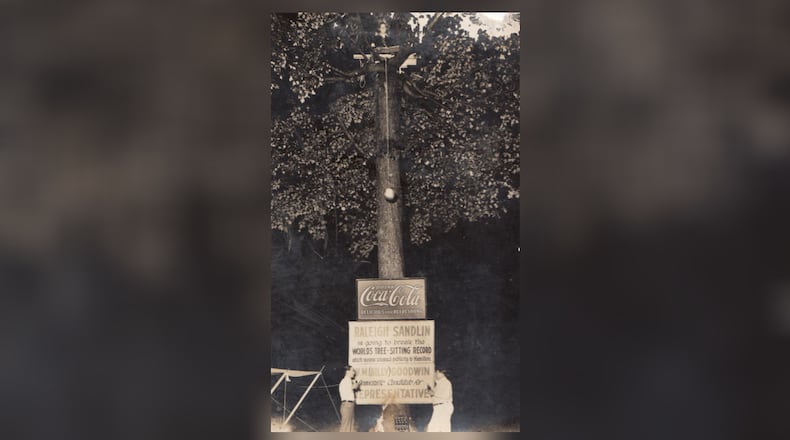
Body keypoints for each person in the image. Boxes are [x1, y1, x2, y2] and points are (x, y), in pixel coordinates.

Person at [338, 366, 360, 432]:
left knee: (349, 426)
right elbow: (354, 387)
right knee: (345, 427)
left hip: (349, 405)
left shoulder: (348, 380)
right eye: (352, 370)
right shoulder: (346, 380)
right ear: (347, 372)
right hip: (347, 405)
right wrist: (357, 383)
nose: (354, 373)